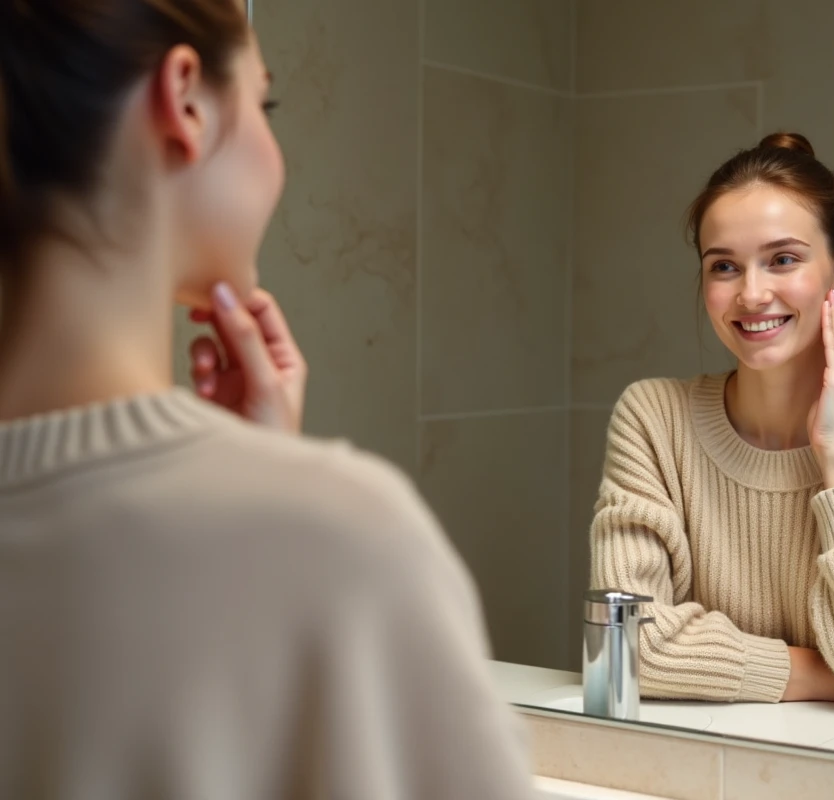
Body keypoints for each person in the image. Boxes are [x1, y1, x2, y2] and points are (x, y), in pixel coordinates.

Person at [0, 1, 532, 797]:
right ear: (184, 101)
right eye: (264, 102)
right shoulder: (349, 543)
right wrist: (275, 499)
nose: (277, 151)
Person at [589, 132, 834, 721]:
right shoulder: (653, 420)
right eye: (724, 266)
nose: (751, 294)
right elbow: (626, 647)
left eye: (783, 259)